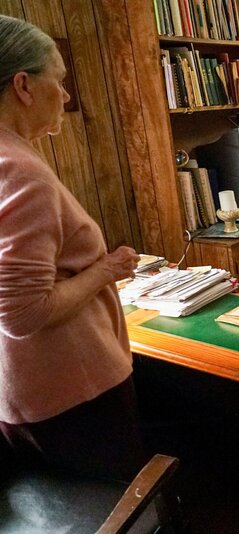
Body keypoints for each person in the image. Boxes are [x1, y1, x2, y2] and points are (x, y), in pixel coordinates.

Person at [0, 15, 144, 481]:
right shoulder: (21, 173)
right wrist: (108, 268)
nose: (64, 96)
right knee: (117, 503)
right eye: (59, 80)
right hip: (71, 392)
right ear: (23, 85)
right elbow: (23, 313)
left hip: (20, 391)